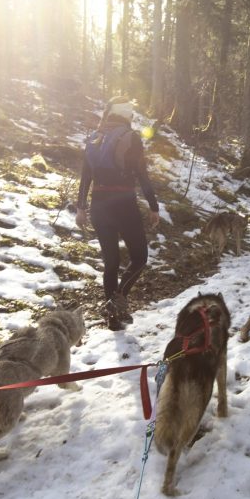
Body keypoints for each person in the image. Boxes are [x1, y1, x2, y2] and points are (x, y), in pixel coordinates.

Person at [76, 96, 160, 330]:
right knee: (140, 258)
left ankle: (113, 318)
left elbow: (86, 177)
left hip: (99, 205)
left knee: (111, 262)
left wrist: (81, 207)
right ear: (127, 116)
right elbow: (142, 175)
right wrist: (154, 206)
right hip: (124, 204)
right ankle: (118, 301)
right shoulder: (131, 137)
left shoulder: (94, 138)